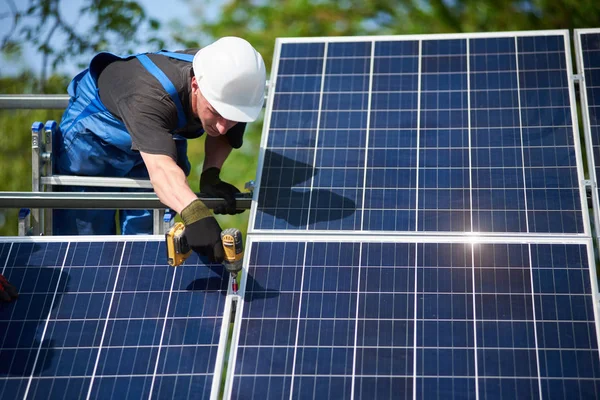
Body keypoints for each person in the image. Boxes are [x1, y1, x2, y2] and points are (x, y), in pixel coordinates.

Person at [52, 37, 266, 262]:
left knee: (146, 245)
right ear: (195, 86)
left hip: (156, 142)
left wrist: (211, 174)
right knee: (86, 246)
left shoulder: (230, 84)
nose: (223, 126)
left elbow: (225, 129)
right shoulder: (151, 96)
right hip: (94, 142)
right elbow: (162, 171)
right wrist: (197, 215)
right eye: (216, 112)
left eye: (232, 117)